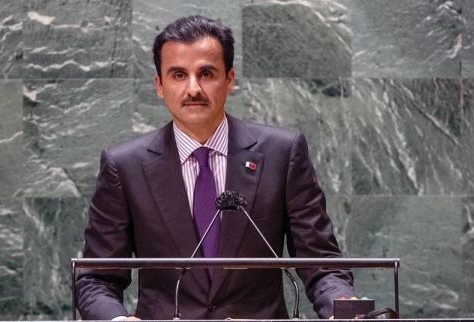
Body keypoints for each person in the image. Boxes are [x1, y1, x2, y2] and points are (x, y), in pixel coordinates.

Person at [75, 15, 355, 320]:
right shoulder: (125, 166)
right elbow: (96, 278)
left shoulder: (282, 154)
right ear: (159, 85)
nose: (193, 88)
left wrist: (344, 310)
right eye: (178, 75)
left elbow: (323, 264)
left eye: (206, 74)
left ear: (229, 79)